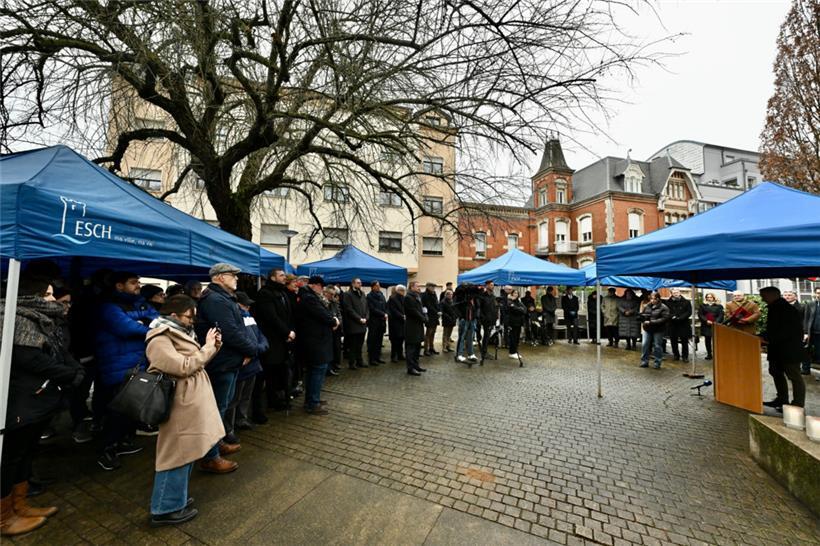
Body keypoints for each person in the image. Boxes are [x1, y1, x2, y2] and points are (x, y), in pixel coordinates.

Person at [1, 276, 84, 536]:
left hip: (38, 398)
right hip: (20, 399)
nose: (52, 299)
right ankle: (4, 518)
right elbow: (29, 358)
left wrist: (74, 368)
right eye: (47, 294)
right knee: (10, 458)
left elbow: (58, 350)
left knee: (25, 454)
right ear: (31, 295)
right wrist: (68, 374)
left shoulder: (42, 319)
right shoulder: (13, 317)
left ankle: (20, 505)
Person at [144, 295, 223, 526]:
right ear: (173, 315)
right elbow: (183, 367)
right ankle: (164, 508)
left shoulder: (178, 333)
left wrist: (213, 347)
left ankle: (175, 500)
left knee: (186, 452)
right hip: (179, 403)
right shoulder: (160, 338)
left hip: (188, 401)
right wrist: (208, 348)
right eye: (190, 316)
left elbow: (195, 362)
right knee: (176, 454)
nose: (193, 321)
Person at [195, 263, 258, 473]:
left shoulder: (222, 298)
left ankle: (217, 443)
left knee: (223, 406)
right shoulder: (215, 299)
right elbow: (229, 331)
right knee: (216, 409)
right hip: (221, 363)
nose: (236, 278)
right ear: (220, 277)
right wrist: (252, 349)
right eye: (233, 275)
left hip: (229, 361)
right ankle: (210, 456)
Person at [95, 271, 158, 471]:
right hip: (116, 365)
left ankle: (122, 441)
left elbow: (157, 321)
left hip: (137, 362)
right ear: (119, 286)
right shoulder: (107, 306)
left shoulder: (139, 302)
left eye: (138, 281)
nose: (138, 285)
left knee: (130, 407)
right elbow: (126, 328)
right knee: (116, 409)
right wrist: (145, 326)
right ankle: (107, 449)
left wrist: (145, 324)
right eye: (133, 282)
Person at [223, 292, 268, 442]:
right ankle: (228, 429)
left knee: (245, 396)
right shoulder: (234, 319)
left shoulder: (249, 316)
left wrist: (258, 349)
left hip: (253, 363)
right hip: (242, 365)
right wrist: (256, 349)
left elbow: (261, 336)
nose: (248, 307)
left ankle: (241, 419)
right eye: (245, 304)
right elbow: (238, 340)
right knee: (233, 399)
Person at [252, 269, 295, 417]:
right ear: (272, 277)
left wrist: (290, 332)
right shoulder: (265, 294)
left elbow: (288, 316)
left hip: (283, 340)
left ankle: (277, 399)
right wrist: (287, 332)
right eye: (281, 275)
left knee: (278, 372)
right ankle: (264, 405)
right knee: (267, 372)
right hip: (270, 340)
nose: (285, 278)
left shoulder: (282, 293)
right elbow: (271, 317)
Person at [295, 276, 340, 414]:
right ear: (314, 285)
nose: (322, 289)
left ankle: (313, 399)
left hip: (316, 340)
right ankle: (312, 403)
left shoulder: (309, 296)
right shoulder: (309, 298)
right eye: (321, 286)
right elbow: (322, 314)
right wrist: (334, 321)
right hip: (315, 341)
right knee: (317, 371)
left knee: (316, 372)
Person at [759, 287, 806, 409]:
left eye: (763, 296)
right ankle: (782, 399)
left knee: (794, 376)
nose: (762, 299)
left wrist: (767, 339)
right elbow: (773, 328)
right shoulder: (775, 308)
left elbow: (788, 331)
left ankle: (797, 404)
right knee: (775, 372)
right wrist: (762, 336)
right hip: (777, 348)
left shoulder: (786, 309)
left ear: (771, 295)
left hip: (789, 349)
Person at [639, 292, 670, 369]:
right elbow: (643, 314)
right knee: (645, 344)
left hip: (658, 329)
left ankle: (657, 362)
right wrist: (642, 319)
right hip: (647, 328)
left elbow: (664, 319)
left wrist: (651, 322)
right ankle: (644, 361)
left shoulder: (664, 307)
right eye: (651, 298)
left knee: (657, 345)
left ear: (658, 299)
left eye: (654, 299)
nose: (652, 300)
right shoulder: (647, 306)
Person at [342, 278, 369, 369]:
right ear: (353, 284)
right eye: (358, 283)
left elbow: (366, 307)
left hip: (363, 323)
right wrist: (359, 319)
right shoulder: (347, 294)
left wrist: (366, 317)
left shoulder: (362, 294)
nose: (360, 284)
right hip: (354, 324)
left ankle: (359, 361)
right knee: (353, 345)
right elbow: (349, 309)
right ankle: (352, 363)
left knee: (360, 345)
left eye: (360, 283)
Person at [403, 281, 427, 375]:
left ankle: (416, 365)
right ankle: (410, 368)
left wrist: (425, 316)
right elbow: (413, 311)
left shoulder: (417, 296)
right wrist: (423, 318)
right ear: (411, 287)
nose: (419, 288)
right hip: (411, 326)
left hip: (418, 325)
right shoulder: (408, 297)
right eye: (417, 286)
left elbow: (421, 309)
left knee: (417, 347)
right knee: (411, 349)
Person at [453, 283, 478, 363]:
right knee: (462, 337)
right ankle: (459, 355)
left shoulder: (474, 298)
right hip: (464, 319)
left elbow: (476, 307)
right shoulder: (461, 297)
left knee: (470, 337)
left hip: (472, 319)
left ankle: (471, 354)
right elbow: (456, 307)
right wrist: (461, 316)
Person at [666, 288, 692, 361]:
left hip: (683, 323)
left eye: (677, 292)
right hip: (673, 324)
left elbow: (689, 312)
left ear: (680, 293)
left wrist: (680, 318)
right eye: (674, 293)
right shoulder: (668, 302)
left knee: (684, 341)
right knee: (673, 340)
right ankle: (676, 355)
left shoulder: (686, 302)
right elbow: (667, 312)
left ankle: (685, 356)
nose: (676, 294)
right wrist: (673, 317)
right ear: (671, 293)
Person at [366, 281, 388, 365]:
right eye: (377, 286)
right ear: (373, 287)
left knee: (379, 340)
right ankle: (372, 359)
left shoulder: (381, 295)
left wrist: (386, 313)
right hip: (374, 322)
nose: (379, 287)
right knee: (373, 341)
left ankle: (378, 357)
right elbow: (372, 309)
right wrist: (383, 314)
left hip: (381, 321)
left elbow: (385, 306)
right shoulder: (369, 296)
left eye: (379, 285)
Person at [698, 293, 724, 360]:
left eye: (711, 297)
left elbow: (721, 315)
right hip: (706, 325)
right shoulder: (702, 305)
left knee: (716, 341)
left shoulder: (719, 306)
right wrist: (706, 320)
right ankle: (709, 354)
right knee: (707, 340)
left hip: (715, 325)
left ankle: (716, 354)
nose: (709, 298)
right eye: (708, 297)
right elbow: (700, 315)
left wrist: (715, 322)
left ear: (713, 298)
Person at [324, 285, 344, 375]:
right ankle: (328, 368)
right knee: (329, 349)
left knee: (336, 348)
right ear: (326, 293)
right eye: (331, 294)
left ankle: (334, 365)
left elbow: (339, 314)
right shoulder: (323, 302)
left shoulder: (335, 302)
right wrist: (333, 323)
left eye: (334, 294)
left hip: (336, 329)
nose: (332, 296)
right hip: (328, 329)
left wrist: (338, 322)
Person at [478, 281, 498, 359]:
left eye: (493, 285)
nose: (492, 286)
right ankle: (484, 352)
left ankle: (484, 351)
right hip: (485, 320)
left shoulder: (493, 296)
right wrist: (483, 318)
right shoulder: (482, 296)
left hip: (492, 319)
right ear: (486, 286)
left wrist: (496, 317)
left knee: (487, 336)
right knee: (486, 336)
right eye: (491, 285)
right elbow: (480, 309)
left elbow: (494, 307)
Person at [387, 285, 406, 362]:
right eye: (403, 291)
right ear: (399, 291)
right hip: (395, 323)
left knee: (401, 339)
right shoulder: (392, 298)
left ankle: (400, 354)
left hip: (402, 322)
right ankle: (393, 356)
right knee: (395, 340)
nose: (404, 292)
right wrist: (402, 316)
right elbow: (393, 310)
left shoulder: (403, 298)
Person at [421, 283, 441, 356]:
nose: (433, 288)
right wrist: (436, 312)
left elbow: (436, 303)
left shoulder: (434, 294)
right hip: (429, 316)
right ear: (427, 287)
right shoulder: (425, 295)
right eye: (432, 287)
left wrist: (439, 310)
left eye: (434, 287)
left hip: (435, 316)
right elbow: (427, 305)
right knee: (428, 333)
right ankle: (426, 350)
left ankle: (431, 348)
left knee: (433, 333)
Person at [506, 290, 527, 359]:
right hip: (512, 322)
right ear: (512, 294)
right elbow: (513, 309)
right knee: (513, 337)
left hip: (519, 323)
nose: (516, 294)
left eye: (517, 293)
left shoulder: (519, 302)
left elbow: (525, 310)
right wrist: (519, 309)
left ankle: (515, 351)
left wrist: (518, 309)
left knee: (517, 338)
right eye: (514, 293)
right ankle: (512, 352)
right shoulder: (510, 301)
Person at [804, 288, 820, 375]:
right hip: (811, 333)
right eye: (818, 293)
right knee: (806, 351)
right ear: (815, 294)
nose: (819, 295)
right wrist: (805, 332)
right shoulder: (810, 304)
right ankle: (805, 369)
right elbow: (806, 319)